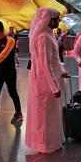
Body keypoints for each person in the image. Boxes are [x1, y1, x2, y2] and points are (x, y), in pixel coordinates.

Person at [26, 8, 68, 154]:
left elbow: (55, 61)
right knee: (45, 115)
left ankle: (53, 142)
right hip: (45, 83)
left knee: (51, 113)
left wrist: (61, 71)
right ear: (49, 20)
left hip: (49, 80)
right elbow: (45, 64)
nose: (59, 21)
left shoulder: (48, 35)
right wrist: (54, 87)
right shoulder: (43, 37)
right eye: (57, 19)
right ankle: (45, 145)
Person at [0, 21, 23, 124]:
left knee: (12, 92)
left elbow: (4, 54)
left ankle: (18, 113)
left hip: (9, 72)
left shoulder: (10, 40)